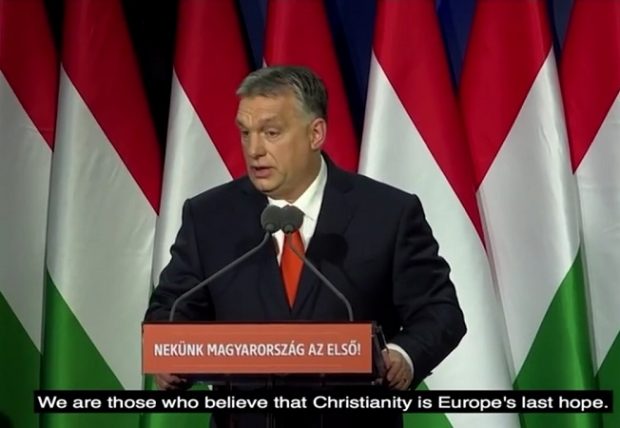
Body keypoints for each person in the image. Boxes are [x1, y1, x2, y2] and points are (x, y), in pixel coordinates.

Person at [144, 65, 466, 427]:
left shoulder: (387, 213)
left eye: (271, 133)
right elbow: (171, 307)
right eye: (245, 133)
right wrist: (170, 352)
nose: (254, 150)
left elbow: (440, 311)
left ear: (315, 134)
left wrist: (403, 355)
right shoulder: (210, 216)